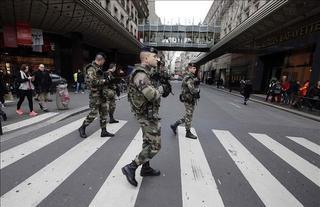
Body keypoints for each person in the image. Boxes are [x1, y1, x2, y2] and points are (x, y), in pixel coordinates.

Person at [122, 47, 171, 187]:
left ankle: (146, 168)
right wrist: (162, 89)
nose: (157, 59)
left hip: (147, 113)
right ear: (146, 58)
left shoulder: (146, 73)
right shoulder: (140, 74)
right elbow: (151, 95)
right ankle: (131, 167)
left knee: (148, 142)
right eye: (154, 56)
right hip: (146, 115)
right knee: (156, 145)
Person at [78, 52, 115, 138]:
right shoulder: (91, 69)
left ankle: (104, 131)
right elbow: (92, 82)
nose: (104, 62)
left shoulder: (99, 68)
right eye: (104, 61)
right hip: (95, 95)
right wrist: (105, 81)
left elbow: (99, 79)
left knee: (104, 113)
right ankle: (82, 127)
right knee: (93, 113)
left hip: (102, 94)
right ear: (100, 60)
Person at [170, 63, 200, 139]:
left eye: (195, 68)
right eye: (193, 68)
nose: (194, 69)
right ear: (189, 69)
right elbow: (192, 90)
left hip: (189, 99)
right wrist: (198, 89)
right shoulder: (189, 78)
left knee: (188, 115)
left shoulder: (191, 77)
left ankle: (175, 125)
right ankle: (188, 132)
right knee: (189, 115)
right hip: (188, 99)